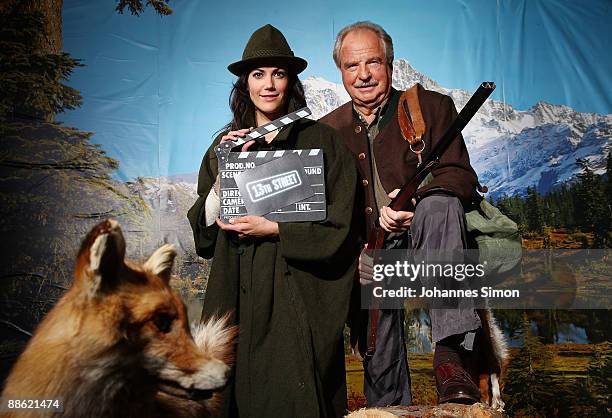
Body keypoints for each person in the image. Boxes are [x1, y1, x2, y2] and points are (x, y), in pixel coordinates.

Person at [187, 24, 360, 418]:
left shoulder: (324, 142)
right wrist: (222, 179)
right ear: (244, 84)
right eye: (258, 74)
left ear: (291, 82)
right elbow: (204, 235)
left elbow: (342, 228)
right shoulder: (223, 147)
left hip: (297, 291)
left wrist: (277, 229)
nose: (269, 85)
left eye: (278, 74)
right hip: (237, 289)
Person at [320, 21, 484, 406]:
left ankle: (449, 354)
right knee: (382, 372)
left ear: (390, 64)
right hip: (373, 254)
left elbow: (460, 176)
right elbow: (324, 210)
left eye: (373, 62)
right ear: (341, 71)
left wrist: (418, 199)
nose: (363, 75)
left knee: (440, 205)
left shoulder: (431, 106)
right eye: (351, 66)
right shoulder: (326, 132)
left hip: (432, 236)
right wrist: (355, 251)